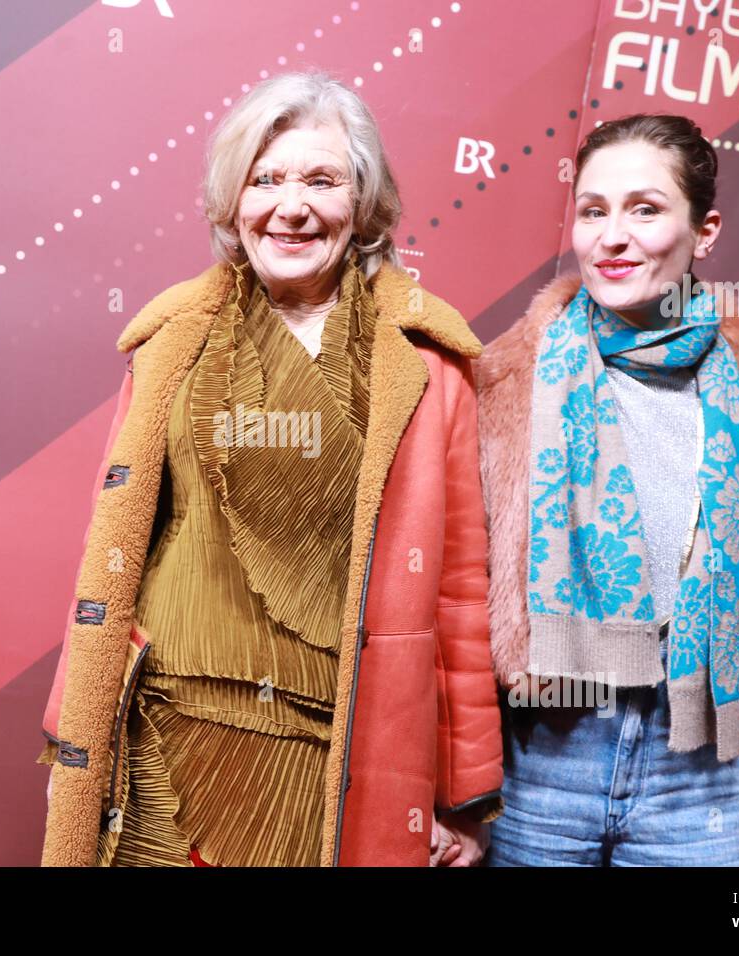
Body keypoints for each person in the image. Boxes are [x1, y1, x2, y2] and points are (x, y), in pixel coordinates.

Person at [39, 71, 503, 867]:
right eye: (265, 179)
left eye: (321, 180)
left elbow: (458, 592)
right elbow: (111, 558)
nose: (290, 207)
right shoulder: (170, 345)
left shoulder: (427, 369)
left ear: (361, 204)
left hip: (326, 759)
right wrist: (72, 740)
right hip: (162, 738)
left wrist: (461, 797)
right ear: (234, 201)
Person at [474, 113, 739, 866]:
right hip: (546, 748)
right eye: (593, 210)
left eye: (644, 209)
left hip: (700, 756)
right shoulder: (507, 377)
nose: (612, 236)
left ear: (704, 232)